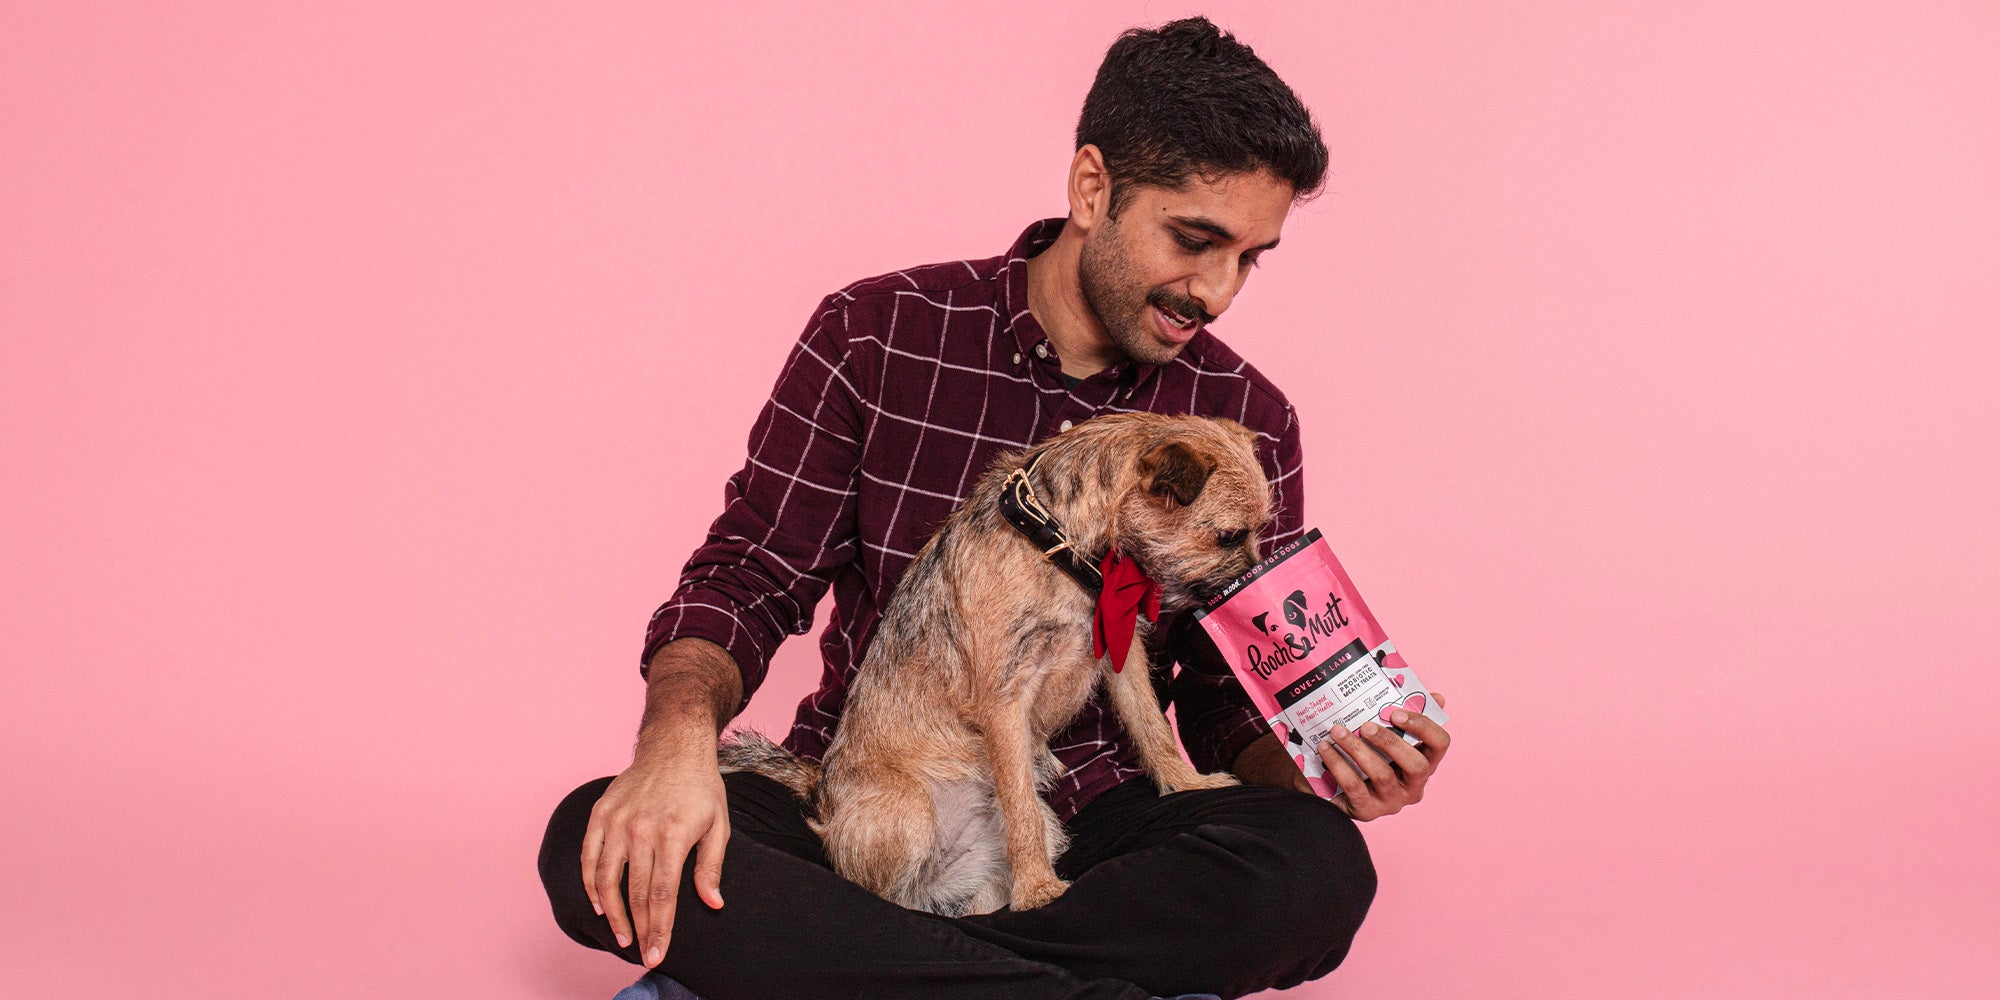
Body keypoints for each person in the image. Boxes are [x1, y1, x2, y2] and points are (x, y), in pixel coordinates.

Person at [537, 17, 1452, 1000]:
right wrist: (672, 748)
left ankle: (862, 968)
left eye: (1249, 256)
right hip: (881, 797)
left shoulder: (1243, 419)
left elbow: (1224, 698)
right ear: (1091, 189)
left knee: (1313, 871)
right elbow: (749, 576)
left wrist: (1330, 763)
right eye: (1193, 240)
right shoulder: (876, 335)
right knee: (595, 837)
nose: (1216, 292)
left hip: (1096, 822)